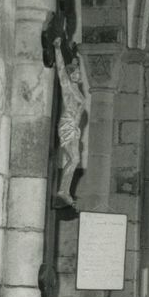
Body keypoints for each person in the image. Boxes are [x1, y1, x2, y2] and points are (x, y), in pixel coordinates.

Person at [53, 37, 90, 208]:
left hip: (75, 127)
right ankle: (62, 191)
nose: (78, 75)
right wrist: (58, 49)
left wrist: (73, 54)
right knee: (74, 159)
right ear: (71, 74)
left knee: (75, 159)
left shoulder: (77, 89)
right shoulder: (67, 86)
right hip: (67, 124)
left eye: (78, 72)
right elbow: (60, 68)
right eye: (75, 72)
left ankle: (65, 191)